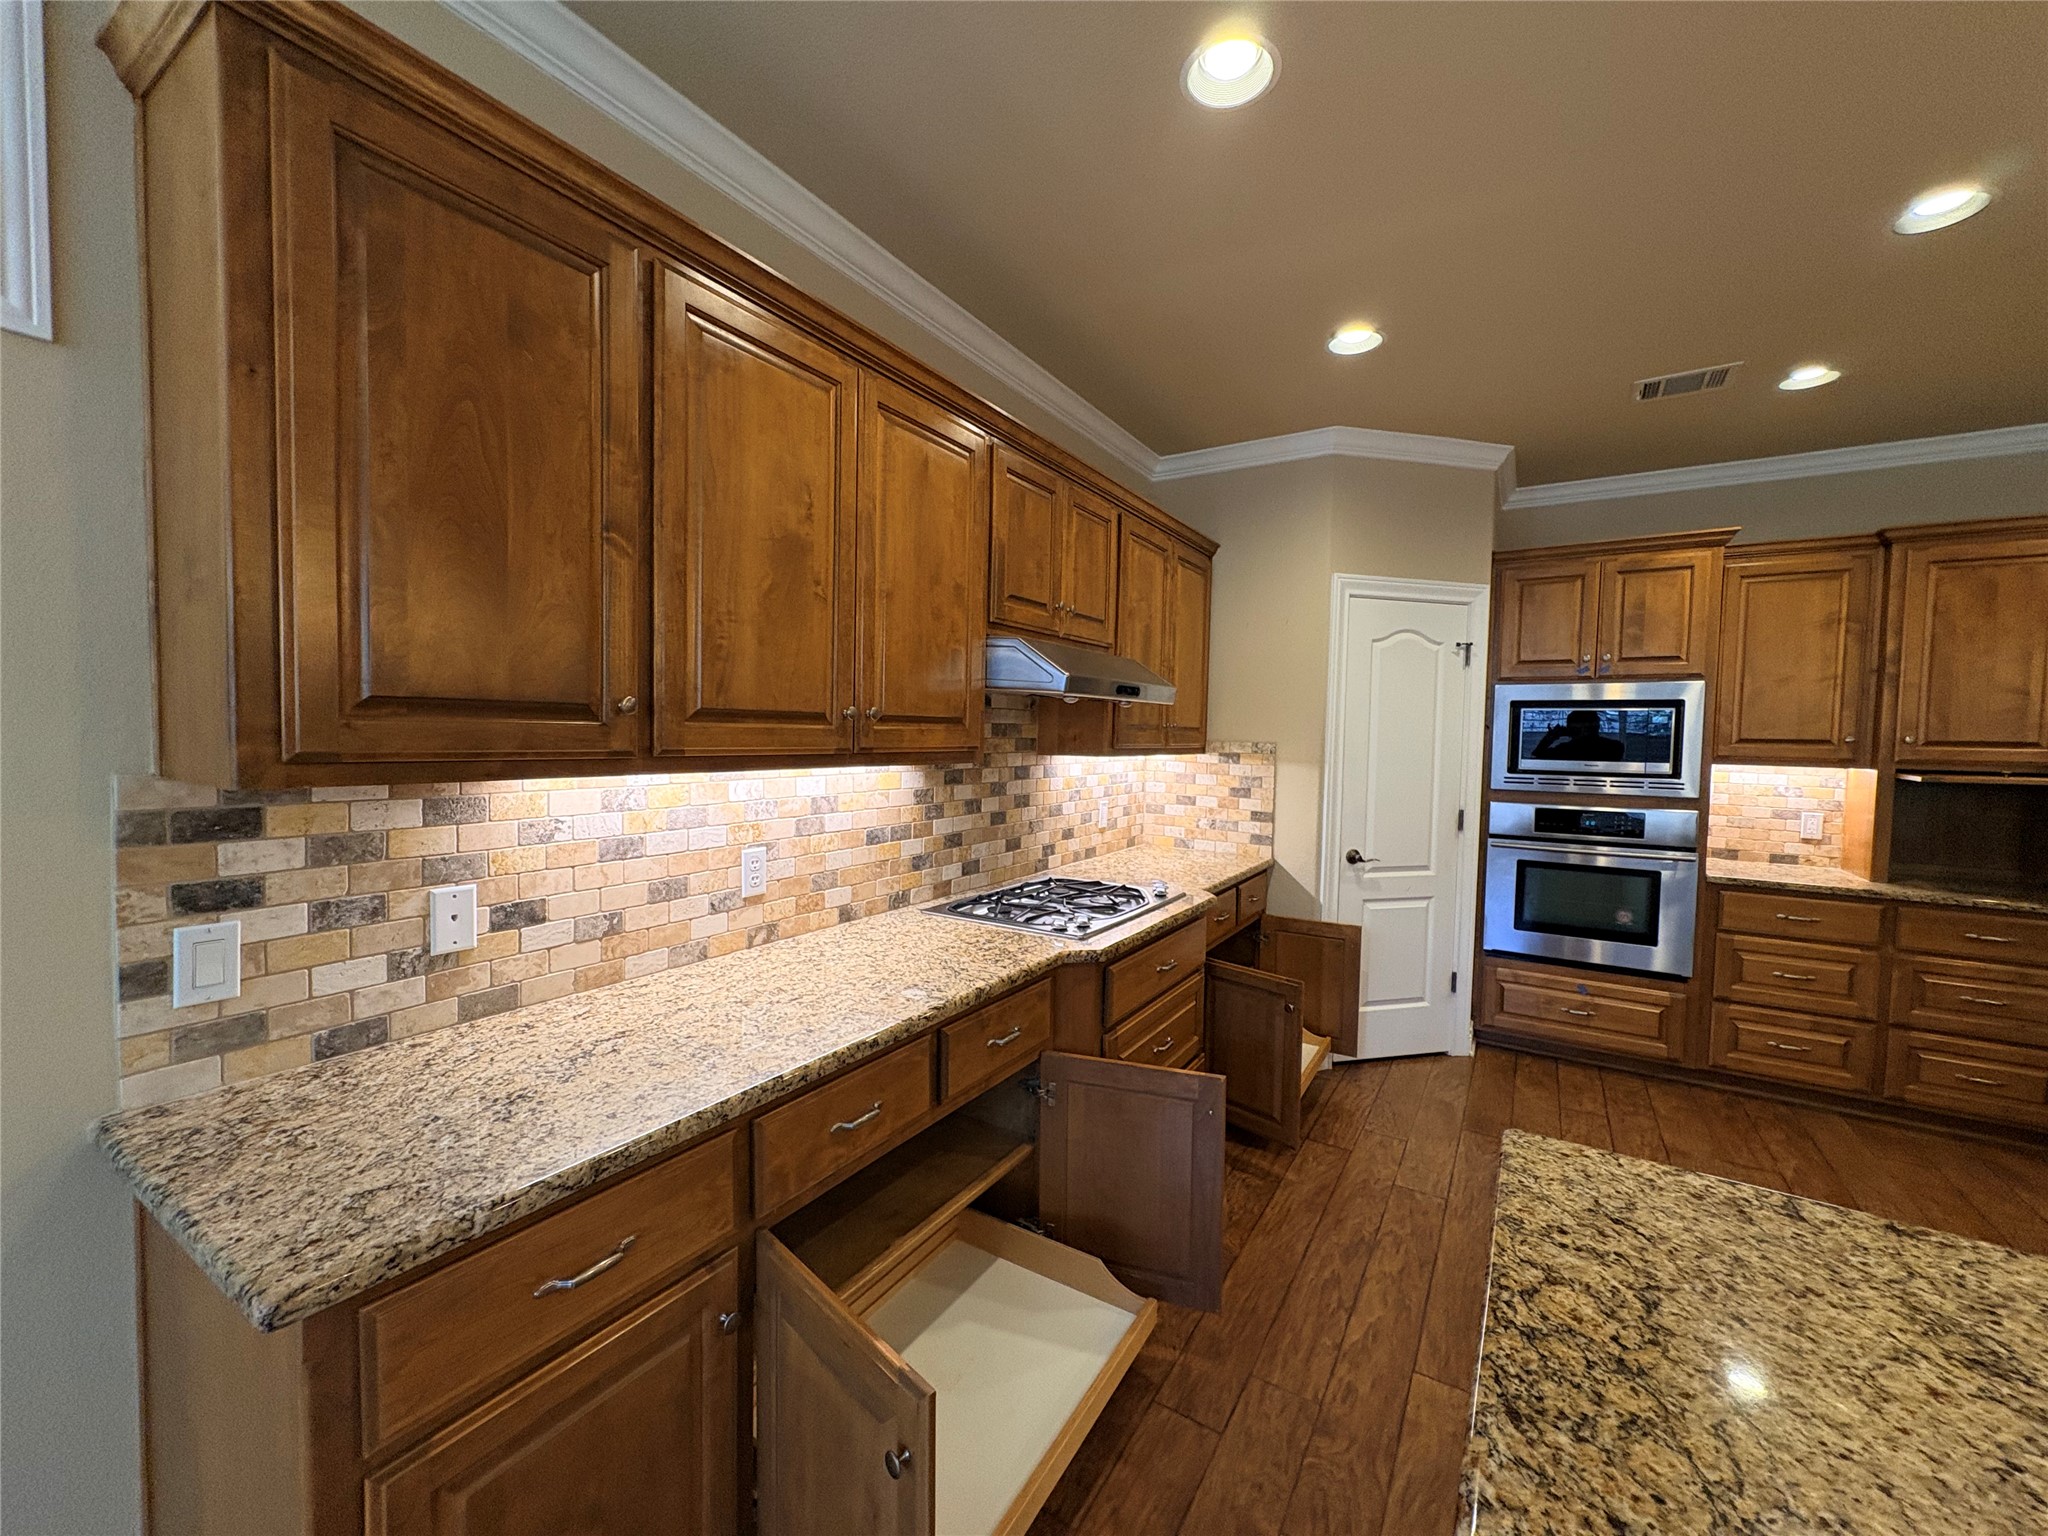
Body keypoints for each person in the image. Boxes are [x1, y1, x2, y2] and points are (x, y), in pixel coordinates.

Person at [1528, 708, 1626, 761]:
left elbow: (1536, 755)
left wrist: (1551, 736)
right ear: (1597, 726)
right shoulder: (1615, 747)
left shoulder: (1565, 750)